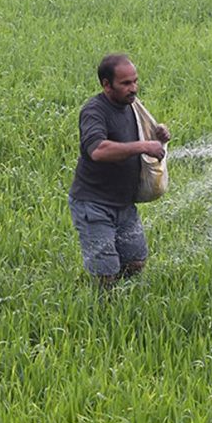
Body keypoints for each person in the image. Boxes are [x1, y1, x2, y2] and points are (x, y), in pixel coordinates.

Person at [68, 54, 171, 291]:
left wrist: (157, 137)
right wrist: (144, 146)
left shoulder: (132, 106)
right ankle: (101, 311)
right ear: (106, 84)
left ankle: (124, 302)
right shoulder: (94, 112)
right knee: (105, 274)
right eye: (126, 83)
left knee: (135, 263)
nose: (133, 88)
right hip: (93, 204)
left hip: (124, 204)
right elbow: (98, 151)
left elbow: (142, 135)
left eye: (135, 81)